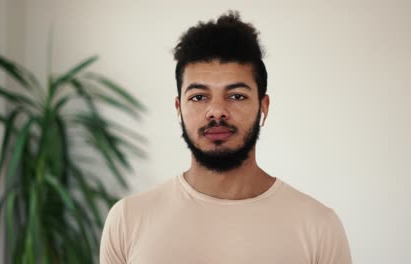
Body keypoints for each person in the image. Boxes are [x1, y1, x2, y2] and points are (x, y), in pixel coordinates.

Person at [100, 10, 352, 264]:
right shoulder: (127, 220)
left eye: (236, 96)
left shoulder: (319, 227)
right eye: (199, 97)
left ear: (263, 107)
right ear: (179, 109)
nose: (217, 111)